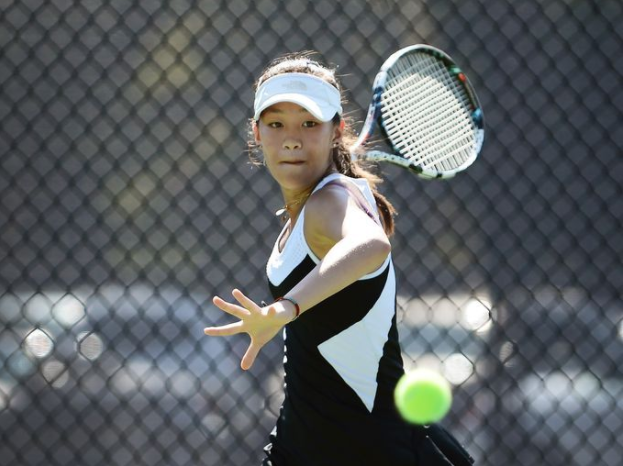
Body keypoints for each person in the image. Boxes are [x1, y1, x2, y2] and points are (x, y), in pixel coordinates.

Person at [204, 53, 474, 466]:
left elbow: (370, 245)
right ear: (256, 133)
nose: (292, 139)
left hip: (367, 450)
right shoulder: (309, 209)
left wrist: (285, 307)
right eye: (276, 124)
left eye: (309, 124)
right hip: (308, 444)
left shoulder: (330, 201)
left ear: (337, 130)